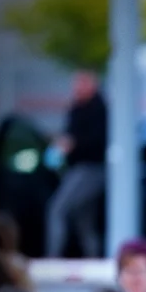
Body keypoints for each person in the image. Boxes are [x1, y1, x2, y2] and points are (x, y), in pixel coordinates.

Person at [45, 70, 108, 258]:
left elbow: (98, 141)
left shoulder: (99, 110)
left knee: (57, 210)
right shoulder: (76, 109)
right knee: (84, 221)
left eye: (81, 83)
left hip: (90, 170)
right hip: (77, 169)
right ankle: (93, 258)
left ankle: (52, 258)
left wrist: (73, 144)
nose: (77, 88)